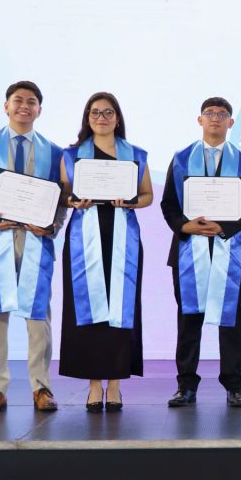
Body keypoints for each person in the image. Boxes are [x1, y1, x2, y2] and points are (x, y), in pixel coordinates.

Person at [0, 81, 66, 415]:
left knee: (38, 316)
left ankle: (41, 387)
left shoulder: (55, 152)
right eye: (18, 100)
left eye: (31, 102)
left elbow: (61, 200)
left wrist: (52, 226)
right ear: (6, 106)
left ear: (39, 110)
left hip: (36, 241)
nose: (24, 106)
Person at [160, 97, 241, 409]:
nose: (216, 118)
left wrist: (224, 227)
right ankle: (186, 385)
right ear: (200, 120)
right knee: (189, 318)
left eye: (222, 114)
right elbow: (168, 204)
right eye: (210, 113)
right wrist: (184, 226)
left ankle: (234, 385)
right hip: (189, 248)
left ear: (231, 122)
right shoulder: (181, 159)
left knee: (231, 320)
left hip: (231, 246)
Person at [59, 92, 154, 412]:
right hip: (84, 237)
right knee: (87, 309)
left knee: (119, 310)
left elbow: (147, 195)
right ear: (87, 117)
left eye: (108, 112)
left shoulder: (135, 154)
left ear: (117, 117)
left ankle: (114, 385)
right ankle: (93, 385)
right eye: (95, 112)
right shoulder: (71, 155)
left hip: (121, 235)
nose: (102, 118)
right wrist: (73, 201)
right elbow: (63, 194)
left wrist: (131, 202)